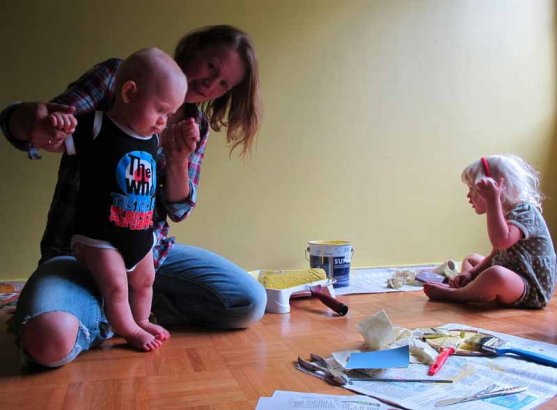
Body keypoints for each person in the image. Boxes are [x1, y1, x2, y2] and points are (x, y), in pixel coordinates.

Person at [1, 25, 267, 367]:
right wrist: (32, 121)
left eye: (223, 85)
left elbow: (179, 208)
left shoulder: (194, 126)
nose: (209, 85)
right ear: (195, 47)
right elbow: (46, 125)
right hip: (80, 251)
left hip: (147, 249)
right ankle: (107, 311)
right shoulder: (119, 77)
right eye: (212, 68)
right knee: (48, 340)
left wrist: (178, 159)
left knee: (247, 301)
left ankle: (120, 310)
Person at [50, 48, 188, 351]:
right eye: (161, 111)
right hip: (100, 236)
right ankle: (128, 329)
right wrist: (58, 124)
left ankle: (142, 319)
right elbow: (55, 141)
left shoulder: (153, 138)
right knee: (115, 286)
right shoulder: (97, 126)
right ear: (128, 93)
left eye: (169, 115)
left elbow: (177, 201)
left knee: (145, 281)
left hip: (140, 232)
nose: (164, 122)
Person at [423, 154, 556, 308]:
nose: (468, 196)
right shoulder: (507, 214)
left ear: (496, 190)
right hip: (511, 275)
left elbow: (501, 241)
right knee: (471, 259)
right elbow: (496, 253)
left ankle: (458, 294)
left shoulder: (525, 211)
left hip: (530, 288)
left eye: (473, 189)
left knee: (495, 274)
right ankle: (470, 287)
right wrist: (471, 274)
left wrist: (493, 201)